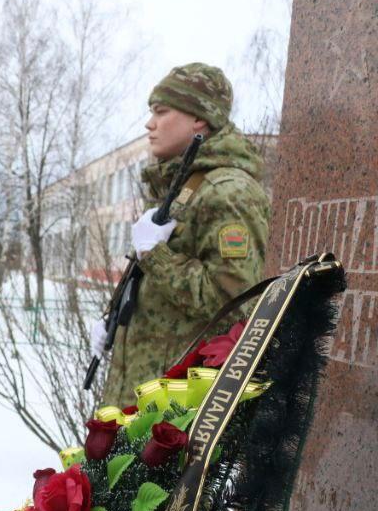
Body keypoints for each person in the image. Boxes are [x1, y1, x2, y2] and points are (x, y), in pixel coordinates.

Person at [102, 63, 270, 408]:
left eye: (161, 112)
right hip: (143, 402)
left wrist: (156, 256)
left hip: (176, 413)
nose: (150, 124)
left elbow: (233, 300)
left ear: (199, 118)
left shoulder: (227, 192)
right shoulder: (180, 188)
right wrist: (114, 323)